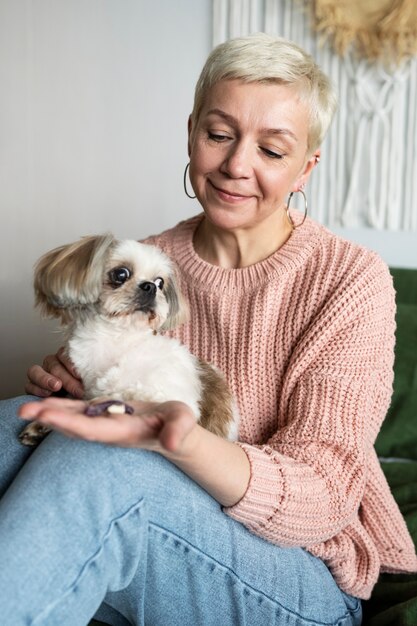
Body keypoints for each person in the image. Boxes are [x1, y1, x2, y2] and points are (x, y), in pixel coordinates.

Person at [0, 32, 415, 626]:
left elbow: (325, 496)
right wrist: (73, 387)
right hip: (176, 514)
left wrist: (179, 439)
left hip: (303, 570)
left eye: (272, 151)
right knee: (11, 423)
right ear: (192, 130)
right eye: (219, 135)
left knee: (100, 462)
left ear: (306, 168)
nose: (236, 166)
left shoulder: (350, 278)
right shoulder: (148, 264)